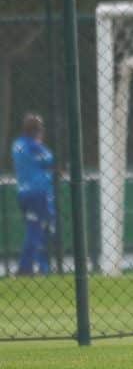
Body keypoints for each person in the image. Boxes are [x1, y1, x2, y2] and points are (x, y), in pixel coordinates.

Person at [11, 113, 56, 276]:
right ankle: (35, 267)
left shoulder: (17, 145)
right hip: (39, 192)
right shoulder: (35, 146)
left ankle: (30, 266)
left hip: (23, 192)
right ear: (38, 131)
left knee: (33, 228)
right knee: (42, 229)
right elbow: (50, 160)